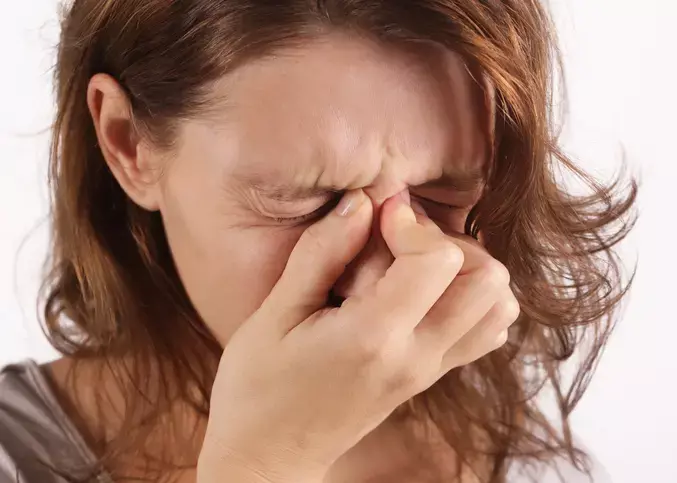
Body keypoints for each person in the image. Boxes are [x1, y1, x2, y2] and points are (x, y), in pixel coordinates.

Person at [0, 0, 638, 482]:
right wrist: (260, 464)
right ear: (127, 143)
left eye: (442, 195)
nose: (383, 278)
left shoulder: (513, 449)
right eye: (307, 203)